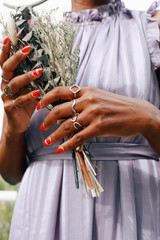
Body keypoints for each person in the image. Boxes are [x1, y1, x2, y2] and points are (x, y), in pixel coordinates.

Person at [0, 0, 160, 239]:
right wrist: (14, 129)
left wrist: (148, 118)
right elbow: (11, 174)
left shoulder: (151, 27)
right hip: (41, 219)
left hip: (134, 213)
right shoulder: (34, 40)